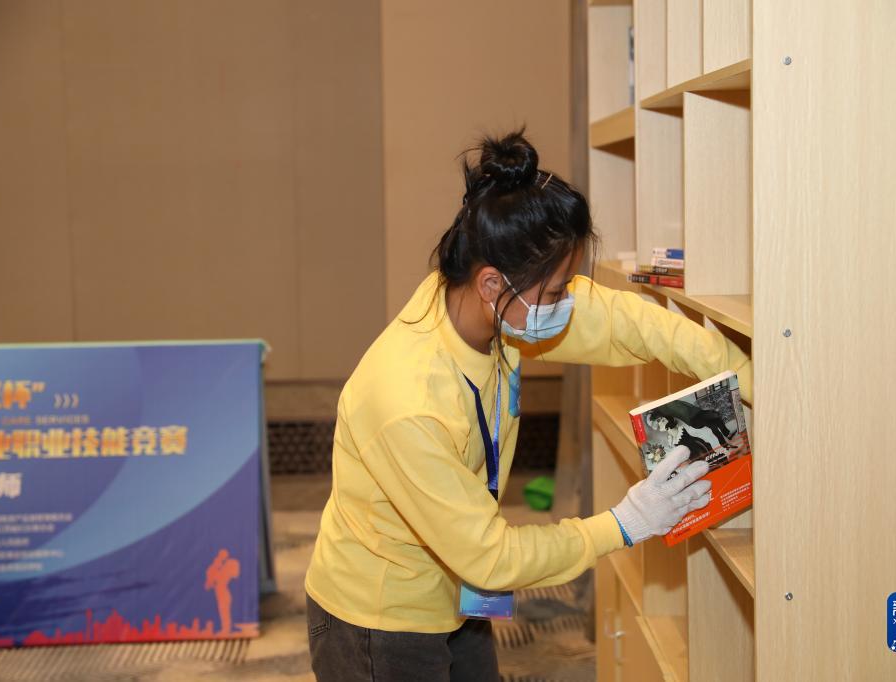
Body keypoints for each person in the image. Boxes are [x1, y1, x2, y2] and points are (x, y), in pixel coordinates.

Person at [304, 130, 752, 681]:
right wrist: (626, 523)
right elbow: (491, 556)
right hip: (378, 622)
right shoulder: (407, 398)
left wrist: (747, 374)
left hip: (459, 587)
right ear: (492, 284)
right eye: (558, 290)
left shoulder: (481, 311)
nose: (567, 302)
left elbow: (623, 321)